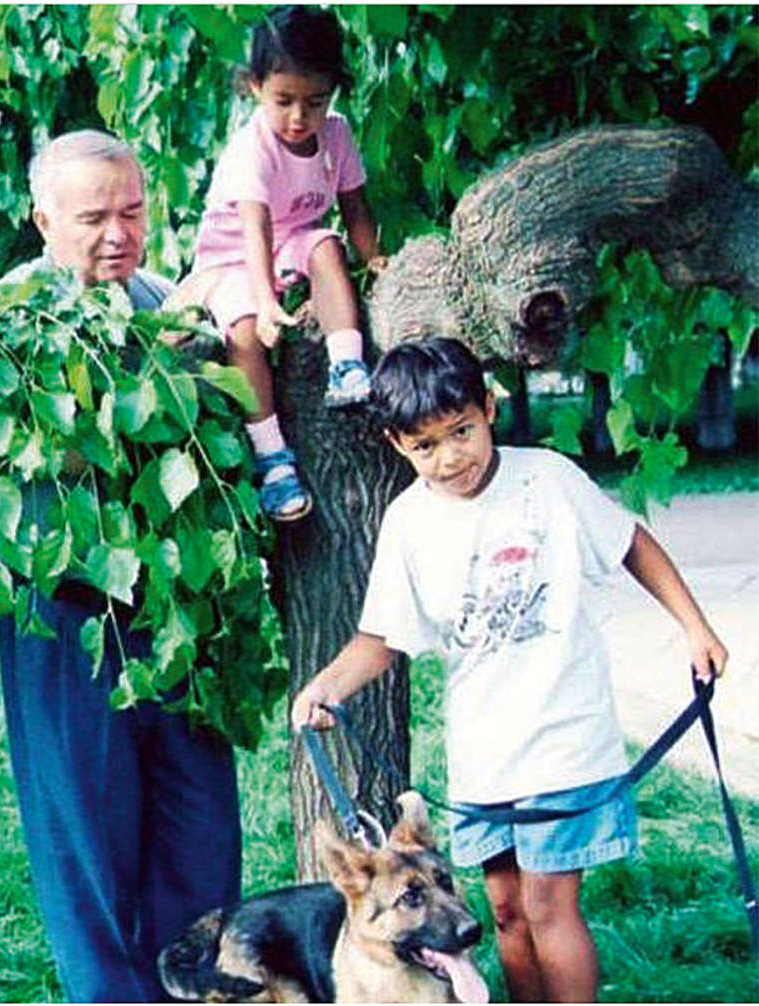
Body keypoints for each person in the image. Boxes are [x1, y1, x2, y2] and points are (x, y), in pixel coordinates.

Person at [291, 337, 728, 1003]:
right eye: (426, 445)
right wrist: (325, 687)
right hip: (485, 756)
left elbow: (630, 541)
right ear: (395, 444)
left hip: (565, 739)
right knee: (504, 915)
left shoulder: (546, 480)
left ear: (488, 408)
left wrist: (694, 627)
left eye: (461, 432)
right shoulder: (409, 521)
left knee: (550, 907)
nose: (450, 457)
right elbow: (381, 638)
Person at [0, 130, 241, 1003]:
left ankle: (199, 984)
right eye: (92, 216)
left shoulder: (166, 299)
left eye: (132, 211)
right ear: (44, 220)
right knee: (88, 828)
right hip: (67, 610)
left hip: (175, 603)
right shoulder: (14, 319)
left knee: (199, 820)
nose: (116, 233)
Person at [168, 5, 385, 522]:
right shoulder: (253, 150)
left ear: (334, 92)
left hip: (291, 241)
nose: (298, 117)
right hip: (230, 260)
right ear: (254, 86)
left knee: (326, 246)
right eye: (283, 100)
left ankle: (347, 364)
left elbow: (355, 206)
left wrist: (374, 258)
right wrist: (265, 304)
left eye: (315, 102)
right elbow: (254, 231)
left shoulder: (336, 135)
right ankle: (273, 458)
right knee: (243, 330)